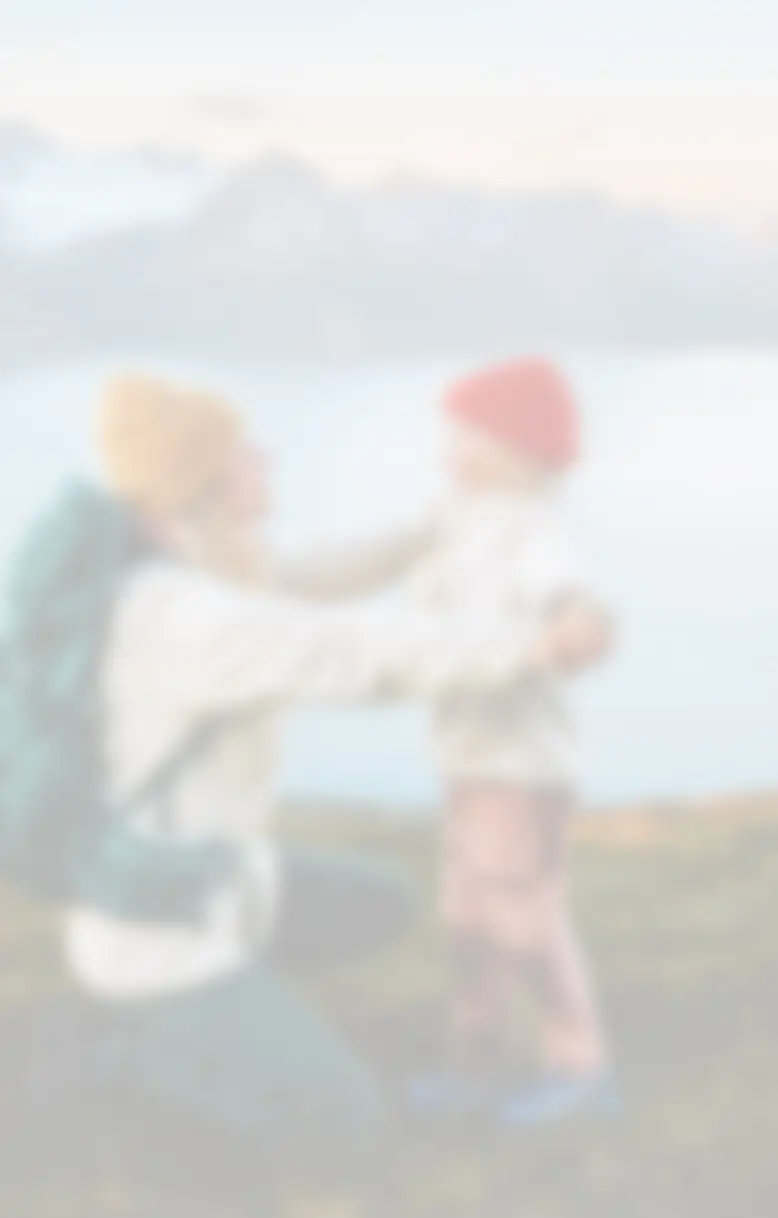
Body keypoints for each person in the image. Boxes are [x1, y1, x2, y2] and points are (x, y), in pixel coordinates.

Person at [41, 373, 611, 1213]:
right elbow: (356, 652)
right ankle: (125, 1049)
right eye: (244, 453)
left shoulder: (200, 568)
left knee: (383, 902)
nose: (265, 456)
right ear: (201, 481)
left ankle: (236, 1008)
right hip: (159, 942)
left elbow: (315, 577)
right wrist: (533, 649)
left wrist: (422, 533)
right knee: (351, 1135)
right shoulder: (186, 616)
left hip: (196, 884)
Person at [407, 358, 618, 1128]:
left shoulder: (538, 529)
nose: (447, 452)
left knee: (524, 923)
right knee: (466, 919)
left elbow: (564, 590)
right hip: (467, 759)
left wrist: (575, 622)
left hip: (518, 769)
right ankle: (479, 1066)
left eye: (463, 437)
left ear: (511, 446)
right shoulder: (463, 516)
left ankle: (580, 1069)